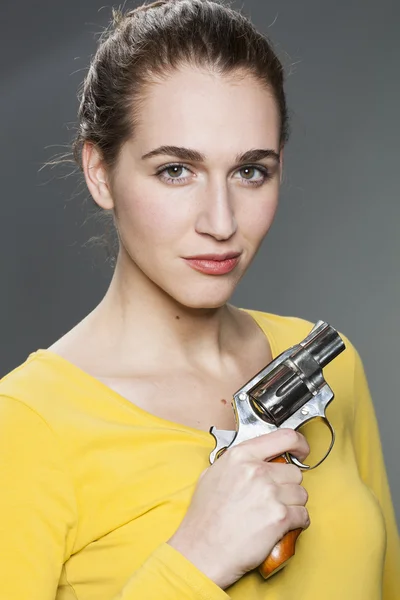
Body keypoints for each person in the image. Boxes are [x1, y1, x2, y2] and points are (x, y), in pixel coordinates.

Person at [0, 0, 398, 598]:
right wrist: (194, 562)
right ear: (100, 173)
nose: (220, 221)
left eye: (250, 172)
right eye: (175, 171)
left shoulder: (318, 366)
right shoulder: (24, 428)